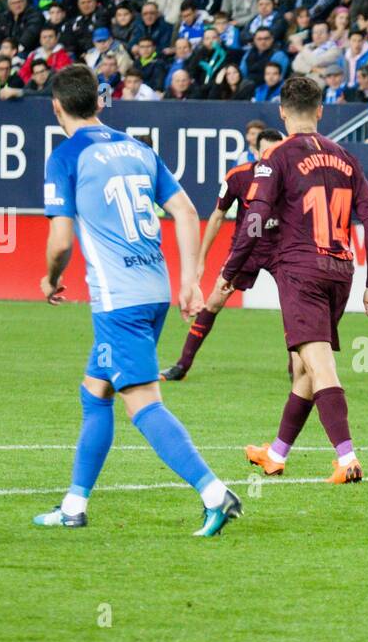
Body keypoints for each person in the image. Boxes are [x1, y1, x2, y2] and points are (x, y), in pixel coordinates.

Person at [34, 65, 242, 535]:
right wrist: (190, 279)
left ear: (57, 107)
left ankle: (214, 493)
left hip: (118, 302)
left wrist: (51, 279)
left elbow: (61, 240)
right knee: (95, 392)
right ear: (100, 102)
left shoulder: (65, 157)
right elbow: (186, 210)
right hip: (154, 292)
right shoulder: (138, 148)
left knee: (142, 402)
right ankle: (73, 505)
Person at [222, 76, 368, 484]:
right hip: (341, 271)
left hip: (302, 272)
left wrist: (230, 272)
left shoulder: (276, 156)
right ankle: (276, 454)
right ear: (320, 110)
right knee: (304, 369)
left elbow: (254, 219)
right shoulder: (345, 156)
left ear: (281, 112)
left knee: (320, 366)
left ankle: (347, 459)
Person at [159, 128, 285, 382]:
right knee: (214, 301)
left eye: (277, 152)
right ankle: (182, 366)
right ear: (254, 152)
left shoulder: (292, 178)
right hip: (246, 248)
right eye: (266, 152)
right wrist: (201, 259)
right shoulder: (238, 177)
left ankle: (300, 373)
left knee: (295, 309)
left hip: (282, 248)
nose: (271, 157)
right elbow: (217, 216)